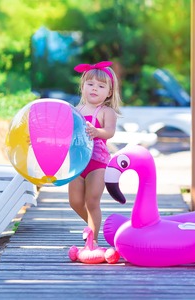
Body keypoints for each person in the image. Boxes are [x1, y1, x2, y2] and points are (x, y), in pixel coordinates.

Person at [69, 61, 122, 247]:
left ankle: (93, 240)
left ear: (108, 92)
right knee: (75, 201)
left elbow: (109, 132)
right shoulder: (75, 111)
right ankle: (92, 226)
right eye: (90, 84)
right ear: (82, 87)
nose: (94, 89)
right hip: (77, 163)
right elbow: (63, 132)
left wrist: (97, 132)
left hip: (97, 163)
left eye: (100, 86)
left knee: (92, 201)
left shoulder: (106, 111)